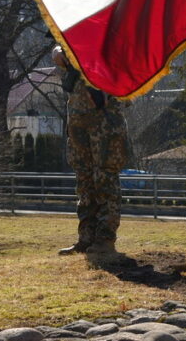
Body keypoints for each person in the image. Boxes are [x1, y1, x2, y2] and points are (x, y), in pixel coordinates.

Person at [52, 46, 130, 262]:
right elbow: (58, 52)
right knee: (84, 180)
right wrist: (62, 52)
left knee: (104, 178)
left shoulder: (111, 35)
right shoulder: (76, 33)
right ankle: (86, 238)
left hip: (104, 119)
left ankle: (104, 240)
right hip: (78, 118)